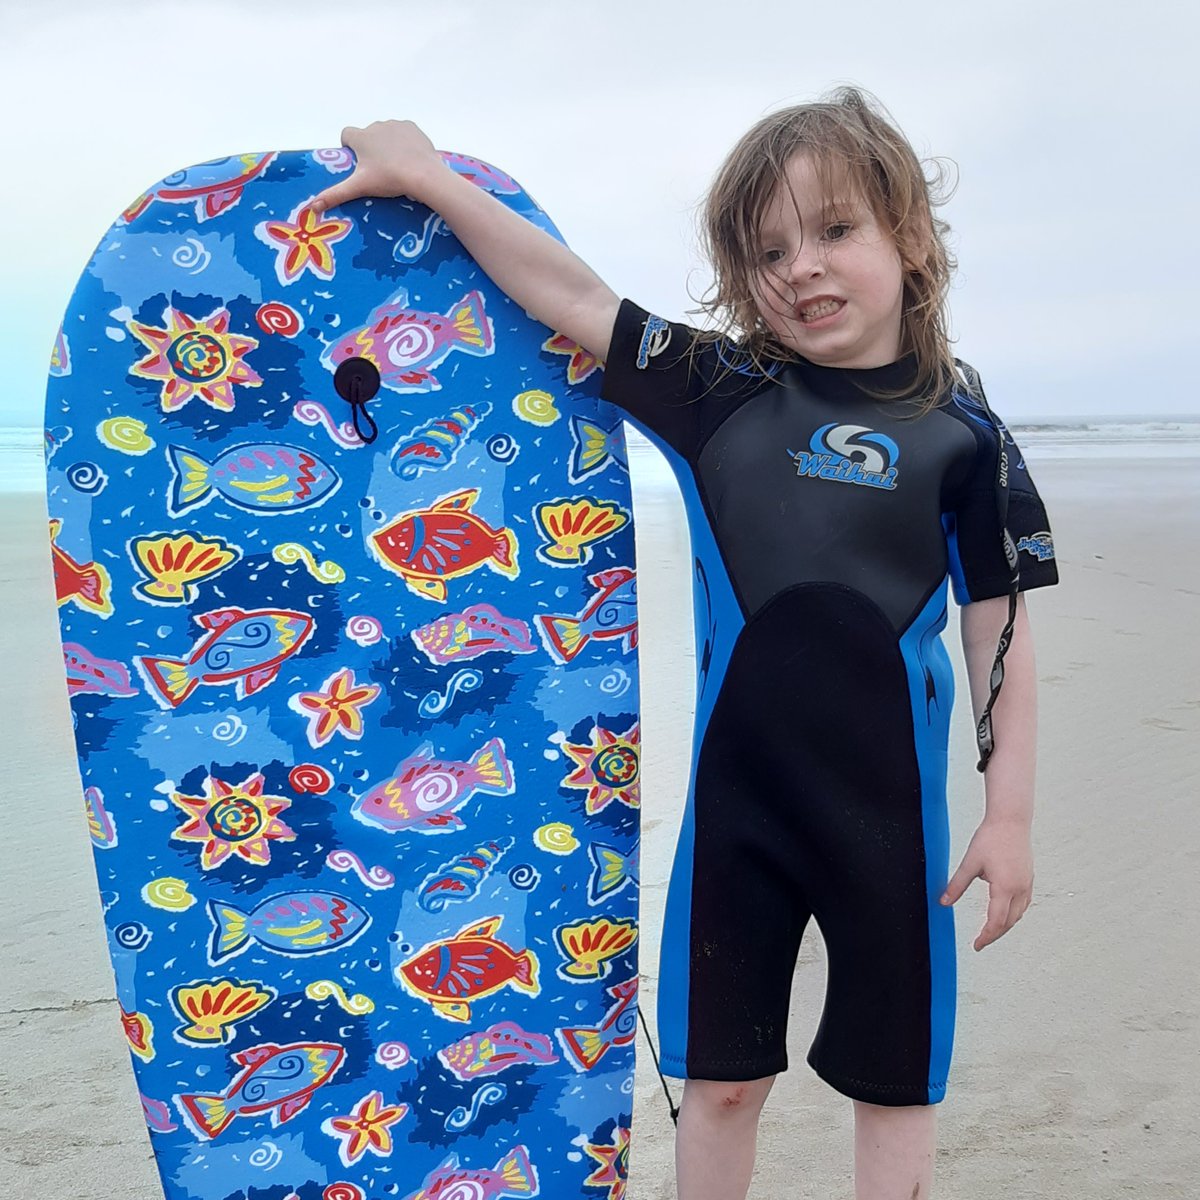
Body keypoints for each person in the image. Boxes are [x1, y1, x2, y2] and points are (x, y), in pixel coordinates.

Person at [311, 86, 1059, 1200]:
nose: (799, 267)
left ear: (907, 236)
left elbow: (1001, 639)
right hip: (735, 822)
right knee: (718, 1085)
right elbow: (568, 292)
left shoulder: (965, 437)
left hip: (894, 829)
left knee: (896, 1083)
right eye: (767, 249)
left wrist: (1007, 819)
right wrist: (429, 179)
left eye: (834, 229)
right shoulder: (720, 393)